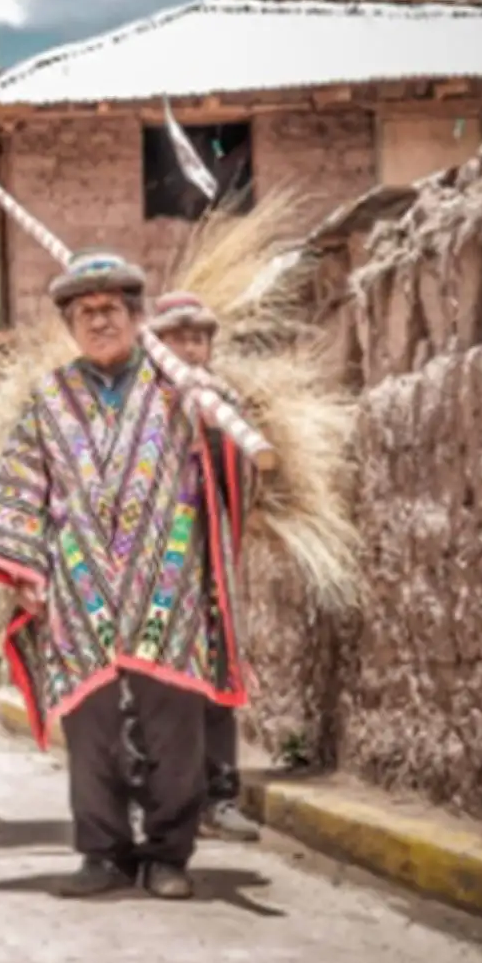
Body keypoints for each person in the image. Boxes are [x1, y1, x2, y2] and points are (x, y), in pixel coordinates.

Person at [0, 252, 254, 901]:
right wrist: (26, 567)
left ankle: (169, 854)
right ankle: (103, 852)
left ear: (136, 316)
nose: (99, 322)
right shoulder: (49, 398)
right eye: (85, 313)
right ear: (70, 326)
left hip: (167, 584)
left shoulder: (180, 386)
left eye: (111, 309)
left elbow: (235, 462)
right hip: (79, 585)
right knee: (90, 724)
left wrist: (217, 422)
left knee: (173, 726)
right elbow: (21, 483)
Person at [147, 291, 262, 844]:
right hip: (150, 569)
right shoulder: (136, 402)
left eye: (199, 339)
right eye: (180, 338)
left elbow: (246, 478)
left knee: (216, 673)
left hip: (207, 559)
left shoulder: (225, 401)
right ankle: (161, 803)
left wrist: (216, 427)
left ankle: (220, 797)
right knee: (155, 685)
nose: (191, 349)